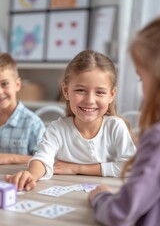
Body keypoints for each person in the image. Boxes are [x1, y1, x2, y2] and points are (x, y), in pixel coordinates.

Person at [5, 49, 136, 191]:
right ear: (66, 91)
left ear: (111, 95)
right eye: (81, 90)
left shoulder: (115, 127)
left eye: (100, 92)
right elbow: (43, 159)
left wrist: (77, 168)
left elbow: (130, 167)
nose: (90, 100)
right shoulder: (57, 129)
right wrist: (31, 174)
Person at [88, 18, 160, 226]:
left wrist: (100, 197)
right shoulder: (59, 126)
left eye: (140, 77)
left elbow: (120, 212)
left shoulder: (153, 137)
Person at [0, 53, 45, 164]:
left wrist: (10, 158)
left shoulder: (33, 123)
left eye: (4, 84)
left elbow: (46, 160)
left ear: (17, 84)